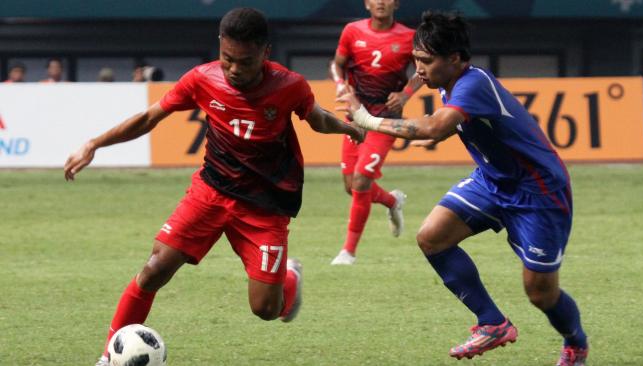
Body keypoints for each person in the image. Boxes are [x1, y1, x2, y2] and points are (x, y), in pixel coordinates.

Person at [63, 8, 364, 366]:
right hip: (210, 192)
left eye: (245, 61)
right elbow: (149, 117)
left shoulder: (289, 85)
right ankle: (107, 358)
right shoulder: (202, 79)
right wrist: (93, 143)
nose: (234, 69)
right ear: (220, 47)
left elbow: (317, 118)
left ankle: (290, 278)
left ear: (265, 52)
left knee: (265, 309)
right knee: (155, 268)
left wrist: (347, 127)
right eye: (227, 59)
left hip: (264, 206)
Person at [337, 11, 588, 366]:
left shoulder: (473, 83)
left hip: (538, 192)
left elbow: (434, 129)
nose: (418, 69)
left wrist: (366, 120)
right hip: (491, 180)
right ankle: (492, 322)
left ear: (454, 59)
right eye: (415, 60)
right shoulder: (446, 79)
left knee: (540, 294)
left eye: (425, 61)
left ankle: (576, 343)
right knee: (432, 237)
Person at [329, 0, 423, 265]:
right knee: (351, 186)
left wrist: (405, 94)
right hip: (356, 116)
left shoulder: (408, 37)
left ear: (397, 3)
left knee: (360, 182)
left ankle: (348, 252)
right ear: (367, 3)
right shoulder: (352, 31)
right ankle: (392, 201)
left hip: (385, 119)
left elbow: (423, 70)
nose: (381, 2)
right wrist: (339, 85)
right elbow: (337, 64)